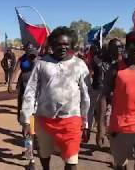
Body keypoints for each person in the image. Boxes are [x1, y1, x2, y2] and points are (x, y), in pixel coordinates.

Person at [20, 26, 90, 170]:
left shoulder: (80, 65)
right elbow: (30, 91)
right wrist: (26, 120)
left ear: (71, 45)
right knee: (44, 154)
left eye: (66, 44)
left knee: (72, 162)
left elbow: (86, 96)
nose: (63, 47)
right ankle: (39, 164)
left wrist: (86, 121)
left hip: (72, 120)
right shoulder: (41, 64)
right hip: (44, 119)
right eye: (59, 44)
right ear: (52, 45)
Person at [97, 31, 135, 170]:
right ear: (127, 46)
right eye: (133, 44)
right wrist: (100, 127)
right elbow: (104, 97)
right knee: (120, 166)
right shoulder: (115, 68)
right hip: (119, 128)